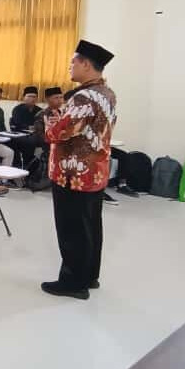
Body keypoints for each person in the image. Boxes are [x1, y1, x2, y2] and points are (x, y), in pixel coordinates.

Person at [42, 40, 117, 300]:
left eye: (73, 62)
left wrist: (50, 123)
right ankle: (89, 276)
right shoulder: (107, 93)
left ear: (86, 64)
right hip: (94, 172)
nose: (70, 66)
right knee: (91, 226)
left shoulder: (84, 97)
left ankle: (73, 282)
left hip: (72, 173)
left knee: (72, 228)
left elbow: (58, 131)